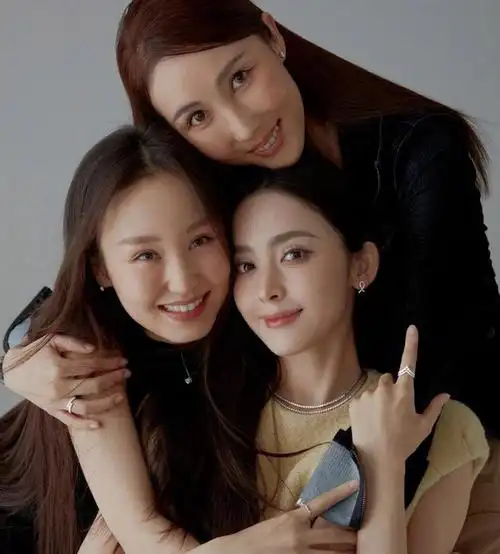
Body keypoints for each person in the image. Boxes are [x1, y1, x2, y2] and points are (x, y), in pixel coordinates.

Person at [2, 0, 500, 550]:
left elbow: (443, 350)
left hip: (424, 430)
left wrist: (320, 509)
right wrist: (22, 350)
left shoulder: (416, 151)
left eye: (240, 77)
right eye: (197, 117)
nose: (242, 126)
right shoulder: (215, 184)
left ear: (272, 36)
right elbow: (105, 290)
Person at [72, 148, 489, 554]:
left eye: (294, 254)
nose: (267, 289)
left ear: (360, 265)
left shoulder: (438, 427)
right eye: (246, 266)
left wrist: (382, 465)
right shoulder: (188, 421)